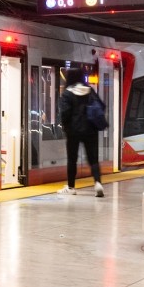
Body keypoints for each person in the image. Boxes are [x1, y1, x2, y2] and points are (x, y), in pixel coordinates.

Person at [57, 68, 104, 197]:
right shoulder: (90, 91)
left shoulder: (67, 93)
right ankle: (98, 183)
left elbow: (65, 113)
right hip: (91, 130)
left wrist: (65, 126)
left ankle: (71, 187)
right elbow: (101, 106)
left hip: (73, 131)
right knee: (93, 159)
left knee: (72, 159)